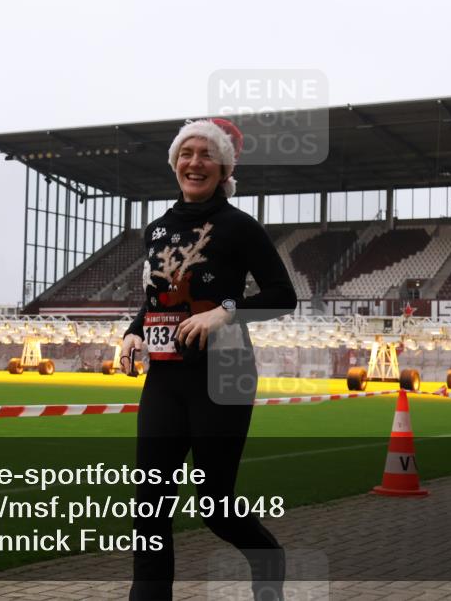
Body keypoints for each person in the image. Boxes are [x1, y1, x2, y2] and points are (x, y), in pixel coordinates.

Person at [120, 118, 297, 601]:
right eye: (186, 152)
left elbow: (284, 296)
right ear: (175, 162)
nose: (194, 162)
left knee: (216, 508)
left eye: (206, 154)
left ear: (223, 169)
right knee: (149, 506)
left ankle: (267, 558)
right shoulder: (156, 228)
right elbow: (158, 299)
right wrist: (134, 333)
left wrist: (225, 312)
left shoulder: (240, 227)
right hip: (165, 379)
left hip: (225, 375)